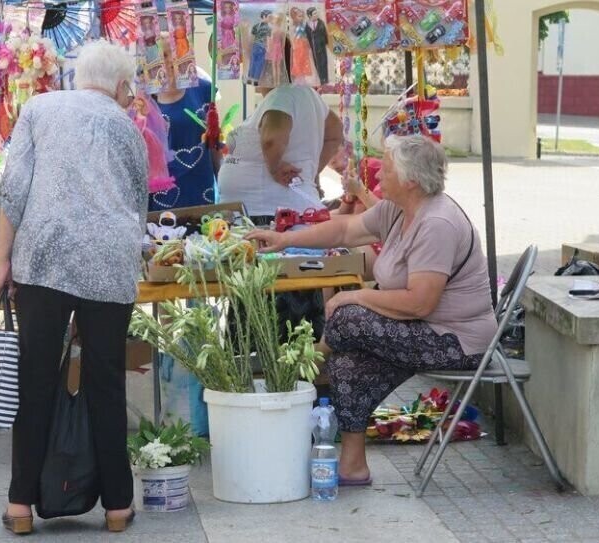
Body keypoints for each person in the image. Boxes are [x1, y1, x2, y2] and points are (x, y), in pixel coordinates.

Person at [246, 135, 497, 485]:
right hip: (423, 329)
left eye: (387, 169)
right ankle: (352, 466)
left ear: (410, 181)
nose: (378, 177)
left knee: (348, 317)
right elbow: (346, 230)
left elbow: (419, 302)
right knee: (347, 363)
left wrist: (357, 297)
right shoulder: (400, 209)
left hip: (456, 343)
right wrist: (284, 239)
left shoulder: (437, 223)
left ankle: (304, 364)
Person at [0, 41, 146, 534]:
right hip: (108, 259)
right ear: (122, 86)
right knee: (106, 381)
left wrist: (1, 260)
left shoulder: (38, 108)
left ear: (78, 75)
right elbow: (136, 204)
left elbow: (13, 190)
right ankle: (118, 505)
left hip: (45, 256)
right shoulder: (127, 126)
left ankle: (20, 504)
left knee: (35, 377)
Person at [218, 49, 343, 339]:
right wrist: (310, 171)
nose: (248, 67)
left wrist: (275, 168)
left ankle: (270, 378)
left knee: (271, 323)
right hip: (279, 216)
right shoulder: (303, 95)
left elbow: (273, 136)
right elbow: (335, 133)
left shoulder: (284, 94)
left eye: (253, 61)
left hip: (274, 220)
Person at [150, 33, 219, 210]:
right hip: (163, 193)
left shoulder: (203, 89)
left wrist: (221, 178)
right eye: (163, 55)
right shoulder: (146, 98)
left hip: (200, 188)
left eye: (174, 53)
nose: (169, 60)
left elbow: (214, 140)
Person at [305, 7, 329, 85]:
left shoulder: (321, 22)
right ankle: (319, 80)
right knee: (316, 63)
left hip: (321, 46)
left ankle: (325, 80)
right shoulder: (307, 25)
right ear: (309, 15)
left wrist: (325, 42)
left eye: (316, 13)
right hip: (314, 47)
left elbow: (325, 34)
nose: (316, 14)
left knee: (323, 62)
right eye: (314, 13)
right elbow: (307, 36)